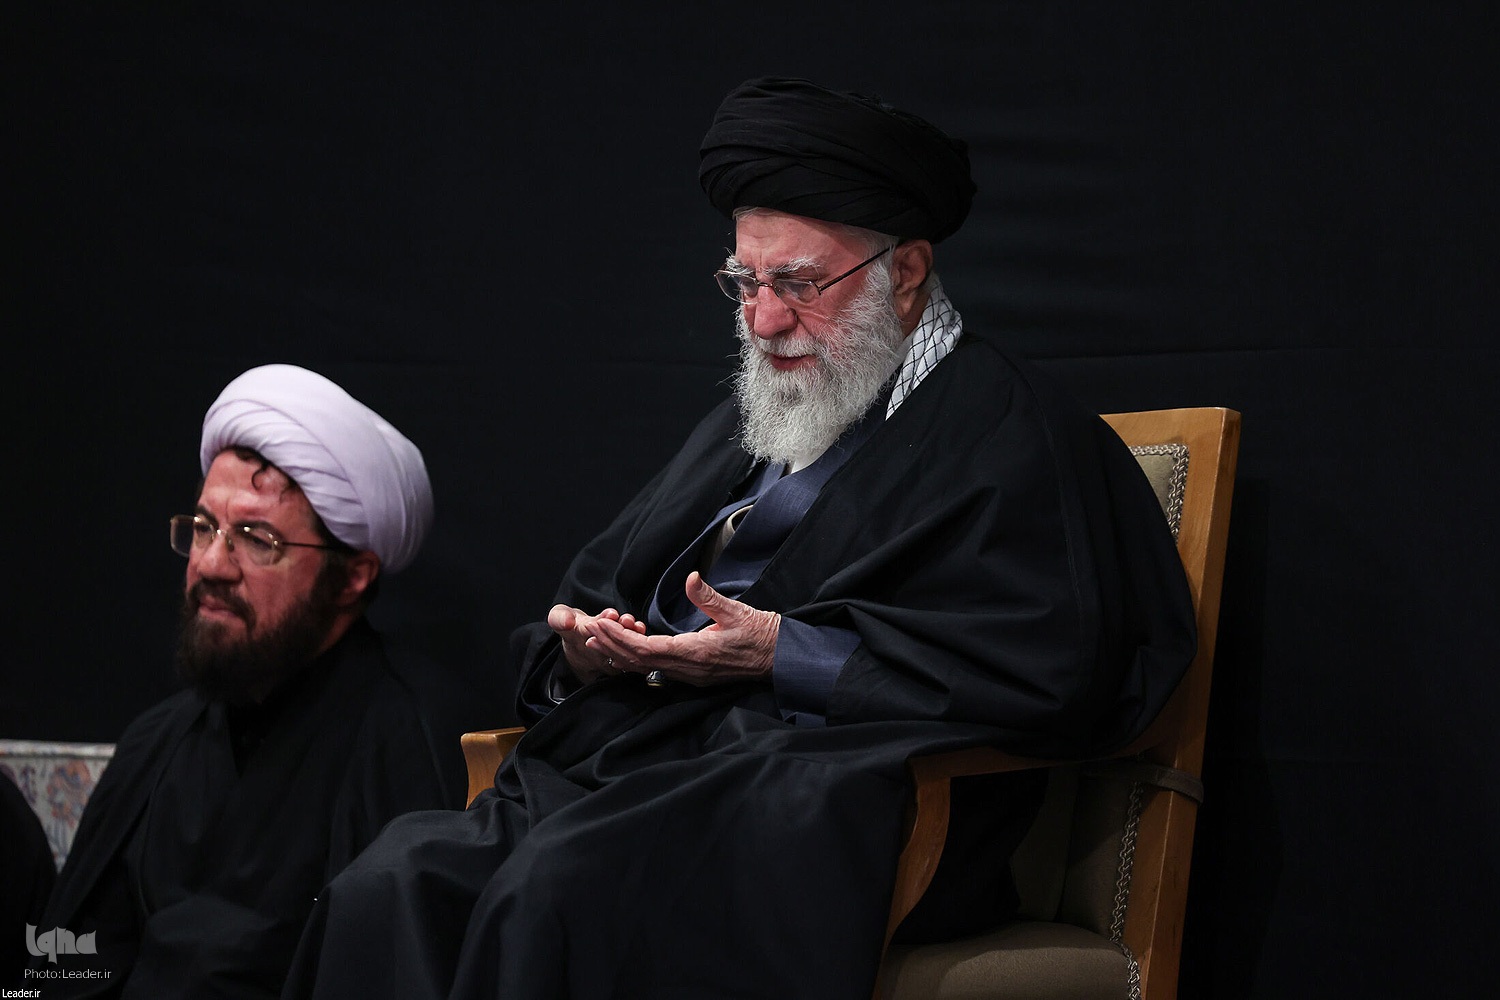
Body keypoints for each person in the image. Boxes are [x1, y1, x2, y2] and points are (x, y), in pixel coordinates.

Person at [284, 77, 1196, 1000]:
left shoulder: (1013, 432)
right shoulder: (756, 422)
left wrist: (780, 652)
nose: (762, 320)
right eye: (745, 283)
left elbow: (1055, 669)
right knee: (391, 883)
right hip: (641, 768)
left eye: (797, 283)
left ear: (907, 273)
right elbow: (605, 586)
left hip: (827, 806)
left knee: (553, 898)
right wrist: (589, 654)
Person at [27, 365, 466, 999]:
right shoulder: (157, 744)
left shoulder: (412, 748)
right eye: (204, 528)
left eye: (257, 539)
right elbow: (64, 968)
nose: (210, 564)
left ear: (353, 576)